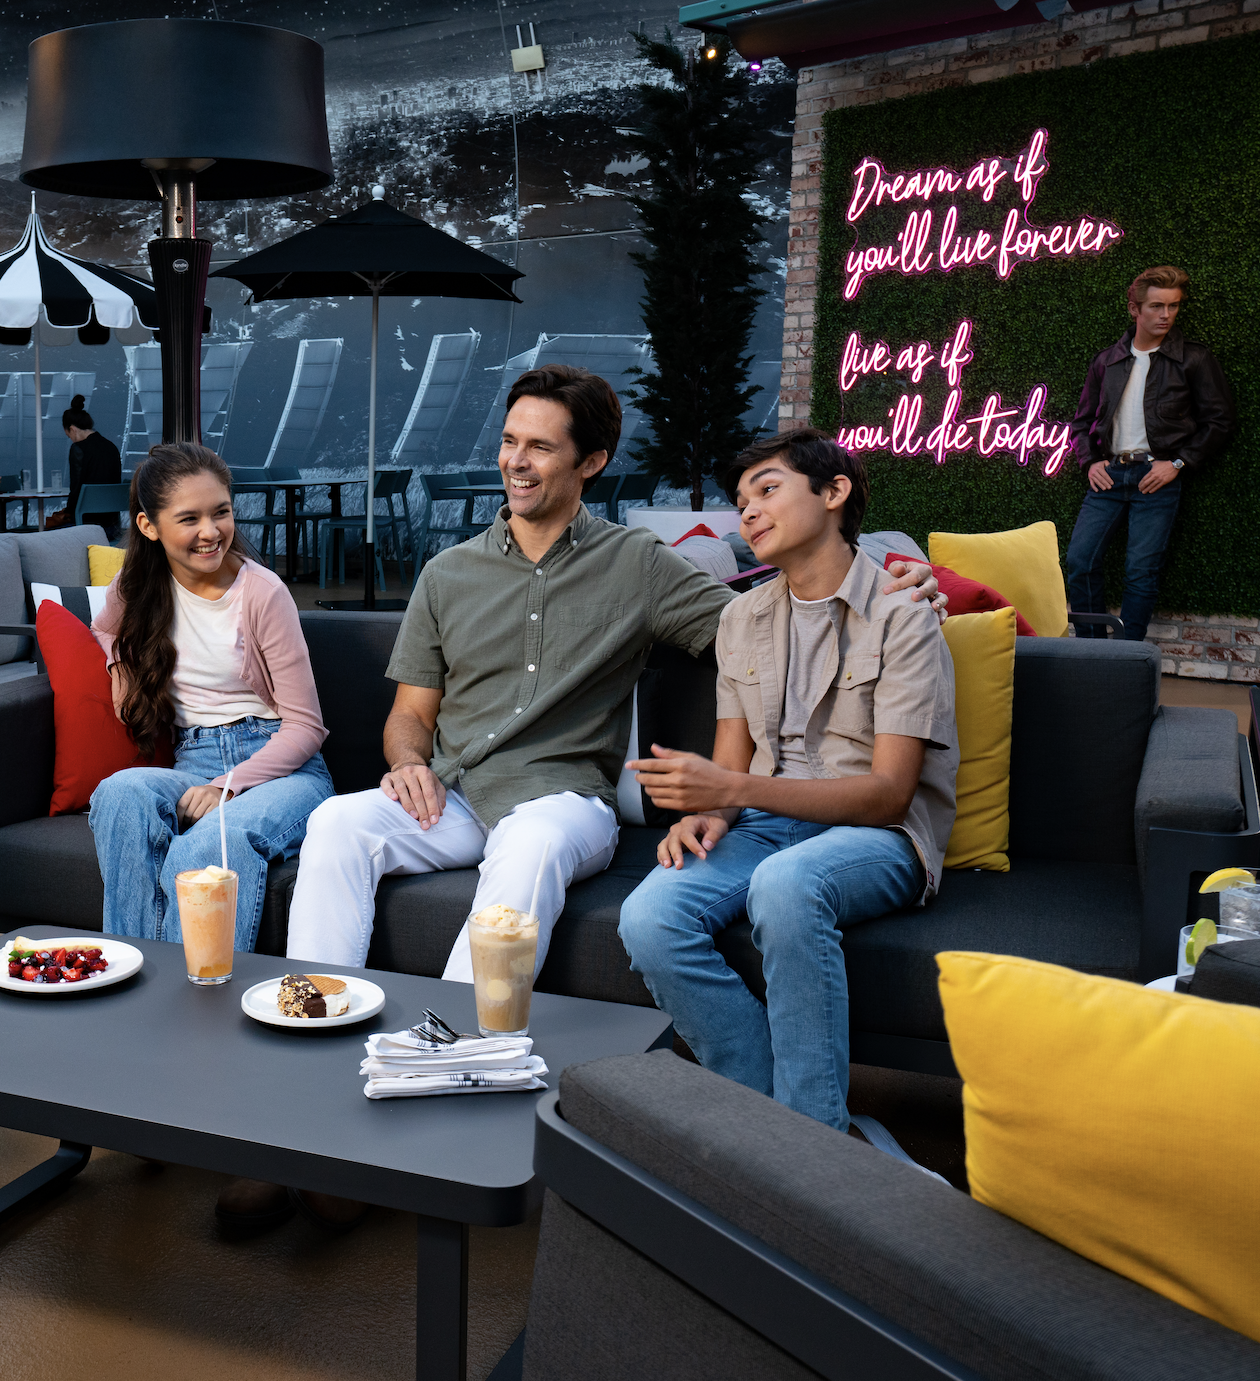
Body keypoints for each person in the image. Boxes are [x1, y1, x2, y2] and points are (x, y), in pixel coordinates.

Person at [284, 367, 944, 991]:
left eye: (540, 447)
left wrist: (897, 577)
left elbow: (774, 622)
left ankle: (458, 1044)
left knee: (531, 842)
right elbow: (411, 717)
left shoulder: (637, 564)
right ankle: (316, 1008)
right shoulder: (446, 574)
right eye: (511, 441)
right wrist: (405, 762)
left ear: (590, 463)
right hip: (454, 797)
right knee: (339, 820)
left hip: (565, 801)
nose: (516, 461)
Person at [616, 429, 956, 1163]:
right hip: (767, 823)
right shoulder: (743, 618)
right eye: (741, 503)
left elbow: (890, 797)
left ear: (834, 494)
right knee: (648, 915)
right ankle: (775, 1125)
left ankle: (811, 1153)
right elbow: (734, 757)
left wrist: (732, 787)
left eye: (768, 490)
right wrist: (708, 812)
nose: (750, 513)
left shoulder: (904, 614)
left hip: (878, 838)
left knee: (787, 883)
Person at [87, 441, 335, 1236]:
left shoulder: (262, 592)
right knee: (120, 794)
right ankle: (130, 1024)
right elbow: (107, 644)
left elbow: (306, 726)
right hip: (192, 759)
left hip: (279, 770)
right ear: (149, 526)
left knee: (201, 856)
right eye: (188, 518)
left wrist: (230, 786)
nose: (210, 531)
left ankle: (195, 1061)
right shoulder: (136, 589)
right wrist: (122, 672)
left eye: (220, 512)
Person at [1064, 264, 1236, 641]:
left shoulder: (1192, 359)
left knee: (1141, 570)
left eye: (1173, 306)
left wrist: (1178, 463)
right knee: (1080, 561)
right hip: (1109, 476)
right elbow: (1081, 423)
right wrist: (1090, 460)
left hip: (1155, 480)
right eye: (1157, 306)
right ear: (1134, 309)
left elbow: (1220, 420)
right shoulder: (1106, 362)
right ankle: (1092, 653)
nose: (1166, 315)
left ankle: (1127, 657)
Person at [63, 395, 124, 536]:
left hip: (85, 526)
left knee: (49, 531)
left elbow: (76, 487)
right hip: (112, 526)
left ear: (72, 429)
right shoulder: (111, 447)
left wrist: (67, 512)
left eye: (69, 436)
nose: (71, 440)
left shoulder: (78, 449)